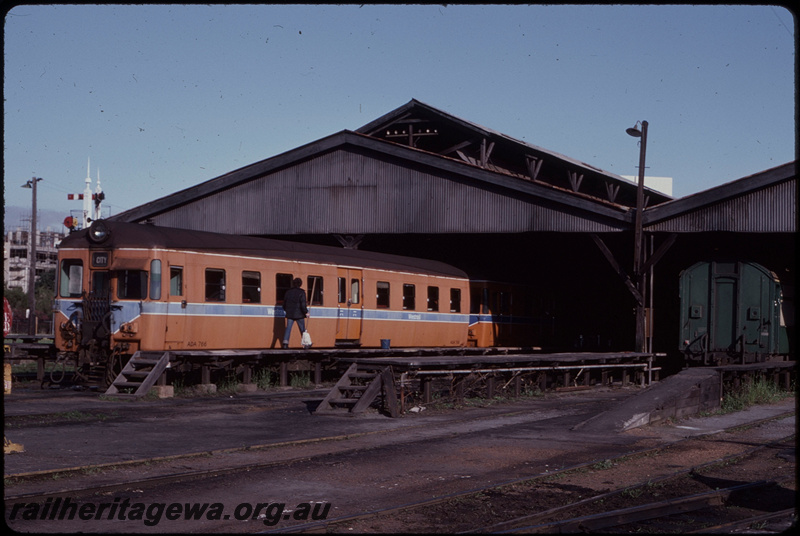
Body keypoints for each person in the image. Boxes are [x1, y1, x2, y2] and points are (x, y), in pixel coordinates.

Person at [282, 278, 308, 348]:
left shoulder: (288, 292)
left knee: (288, 328)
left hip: (290, 313)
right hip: (299, 314)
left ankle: (285, 343)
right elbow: (303, 304)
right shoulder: (301, 292)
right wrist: (306, 312)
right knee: (302, 329)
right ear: (300, 284)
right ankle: (306, 344)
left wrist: (287, 310)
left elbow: (284, 304)